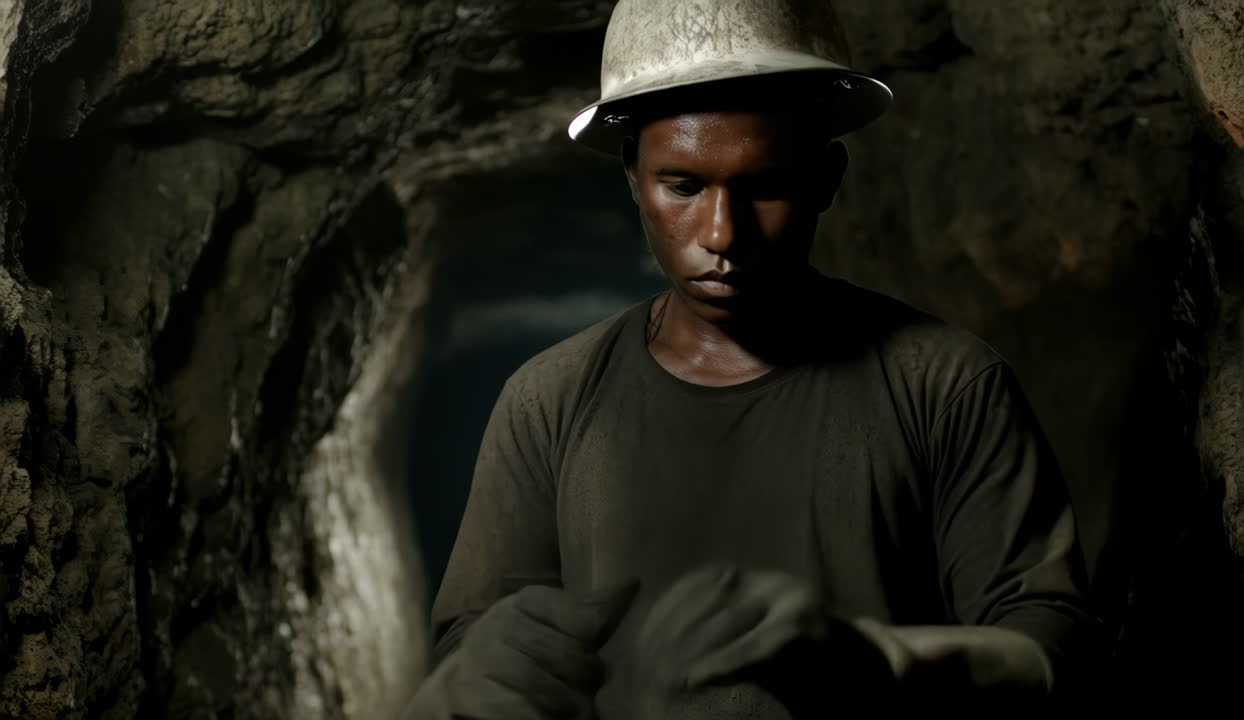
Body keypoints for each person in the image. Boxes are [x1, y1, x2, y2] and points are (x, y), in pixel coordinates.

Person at [403, 0, 1095, 717]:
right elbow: (478, 653)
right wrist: (471, 677)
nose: (721, 232)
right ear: (633, 181)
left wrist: (887, 663)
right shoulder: (549, 400)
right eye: (683, 185)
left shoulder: (944, 386)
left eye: (763, 185)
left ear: (826, 180)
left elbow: (1051, 645)